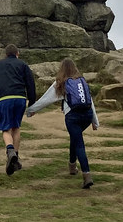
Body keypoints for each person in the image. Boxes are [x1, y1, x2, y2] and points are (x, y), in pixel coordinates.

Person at [27, 58, 99, 189]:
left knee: (79, 143)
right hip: (87, 116)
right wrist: (95, 121)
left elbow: (46, 99)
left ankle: (87, 175)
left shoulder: (61, 82)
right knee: (75, 138)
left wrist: (31, 110)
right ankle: (72, 166)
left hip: (73, 116)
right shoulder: (81, 81)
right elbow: (90, 101)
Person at [0, 44, 37, 176]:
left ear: (6, 54)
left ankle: (10, 151)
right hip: (20, 98)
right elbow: (30, 83)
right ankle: (15, 157)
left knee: (6, 129)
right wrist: (32, 102)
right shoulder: (23, 64)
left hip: (3, 99)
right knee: (16, 127)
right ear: (17, 53)